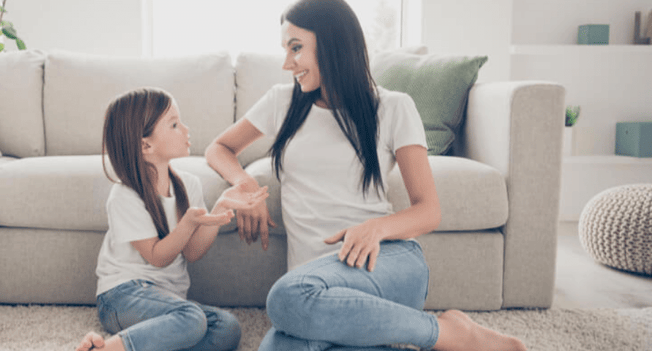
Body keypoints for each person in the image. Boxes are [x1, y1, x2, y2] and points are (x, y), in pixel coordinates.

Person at [204, 1, 528, 350]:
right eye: (285, 49)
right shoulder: (281, 102)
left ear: (333, 42)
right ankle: (414, 331)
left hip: (385, 262)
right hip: (313, 284)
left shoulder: (393, 107)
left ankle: (447, 334)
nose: (287, 63)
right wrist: (246, 184)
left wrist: (375, 228)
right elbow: (219, 148)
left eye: (296, 47)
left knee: (284, 299)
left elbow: (428, 210)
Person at [77, 87, 268, 351]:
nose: (186, 130)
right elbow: (158, 257)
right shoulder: (125, 196)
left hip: (169, 301)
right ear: (146, 145)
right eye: (175, 125)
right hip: (121, 296)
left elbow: (191, 252)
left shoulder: (188, 185)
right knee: (191, 319)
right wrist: (189, 222)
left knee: (227, 328)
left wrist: (220, 207)